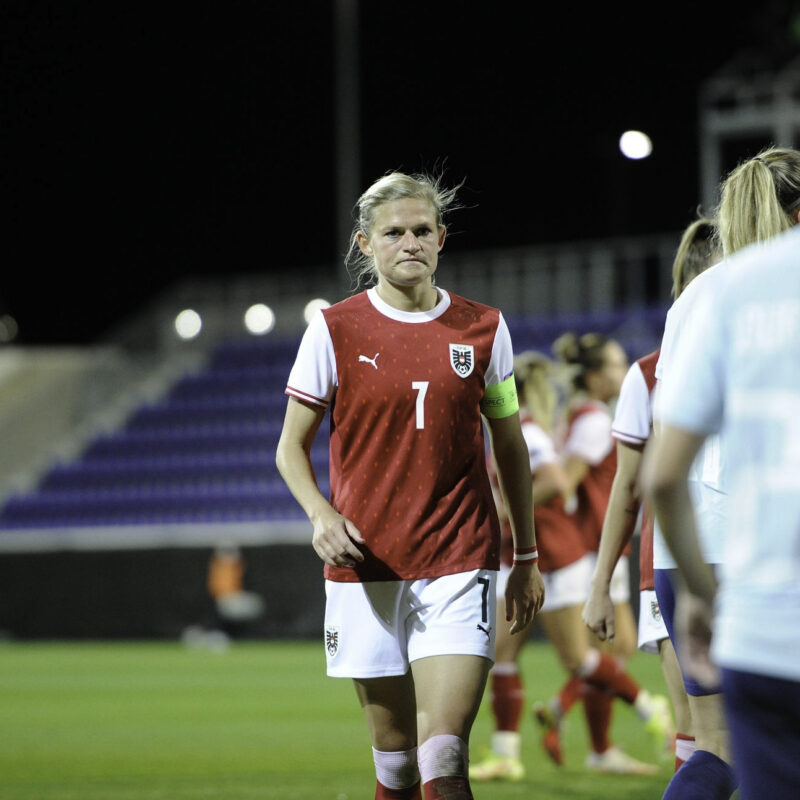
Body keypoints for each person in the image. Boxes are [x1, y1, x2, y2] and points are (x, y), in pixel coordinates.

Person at [275, 170, 545, 800]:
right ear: (365, 244)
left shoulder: (484, 329)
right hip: (366, 564)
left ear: (442, 238)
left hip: (460, 559)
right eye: (394, 232)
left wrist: (525, 555)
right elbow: (290, 447)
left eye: (423, 230)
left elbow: (509, 444)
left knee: (444, 758)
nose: (410, 242)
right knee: (395, 766)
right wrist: (320, 515)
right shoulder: (334, 330)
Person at [644, 146, 800, 799]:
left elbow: (662, 467)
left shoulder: (701, 296)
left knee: (714, 747)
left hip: (687, 552)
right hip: (771, 548)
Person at [582, 218, 721, 773]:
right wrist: (600, 585)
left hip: (729, 550)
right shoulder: (646, 374)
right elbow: (628, 487)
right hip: (672, 561)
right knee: (699, 732)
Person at [530, 333, 673, 774]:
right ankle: (617, 733)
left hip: (593, 548)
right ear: (594, 377)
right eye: (613, 365)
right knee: (615, 647)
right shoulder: (593, 421)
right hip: (594, 548)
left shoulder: (582, 416)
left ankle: (576, 724)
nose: (622, 370)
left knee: (614, 649)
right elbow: (568, 484)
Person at [469, 351, 573, 781]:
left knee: (580, 659)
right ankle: (506, 753)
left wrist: (504, 512)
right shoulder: (526, 430)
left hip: (541, 557)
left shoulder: (527, 431)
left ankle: (507, 753)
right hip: (529, 556)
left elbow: (556, 482)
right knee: (509, 654)